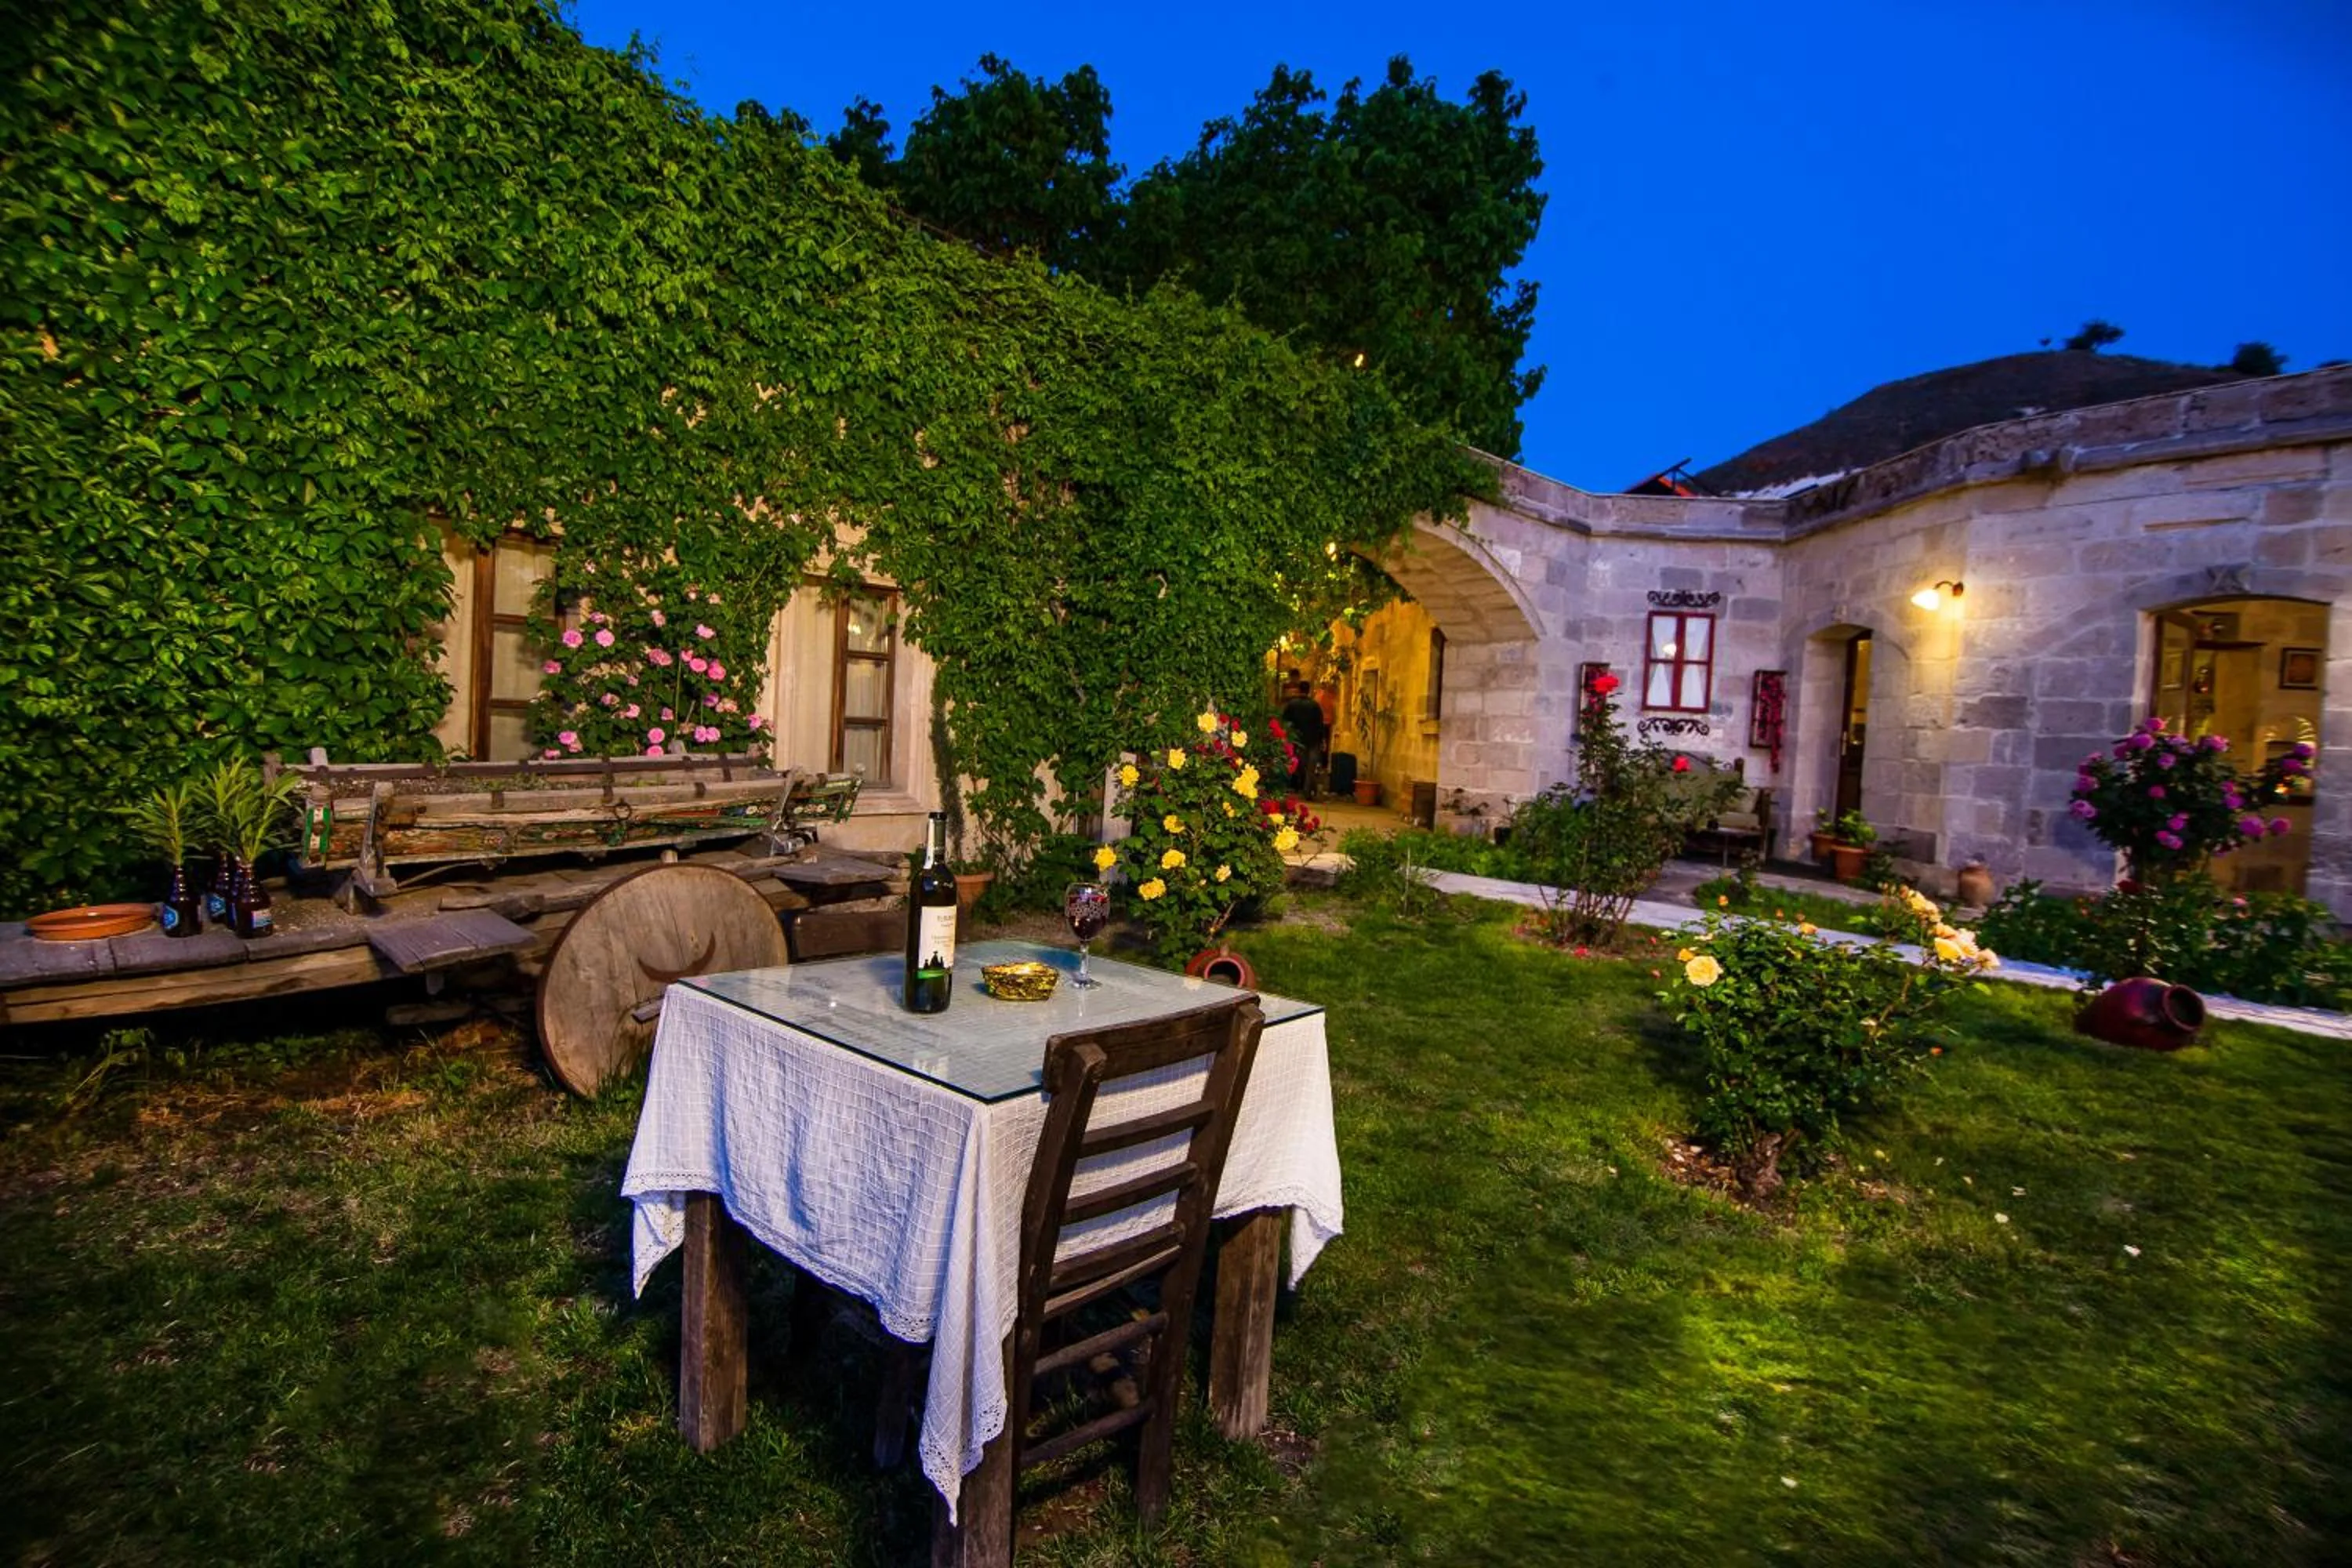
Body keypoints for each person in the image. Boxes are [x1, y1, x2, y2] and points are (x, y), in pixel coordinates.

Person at [1280, 680, 1327, 797]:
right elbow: (1320, 724)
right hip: (1313, 739)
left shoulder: (1292, 705)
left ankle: (1303, 787)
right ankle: (1308, 789)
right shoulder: (1315, 706)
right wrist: (1323, 739)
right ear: (1309, 690)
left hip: (1297, 739)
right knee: (1311, 766)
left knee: (1300, 764)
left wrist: (1286, 735)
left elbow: (1285, 721)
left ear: (1299, 690)